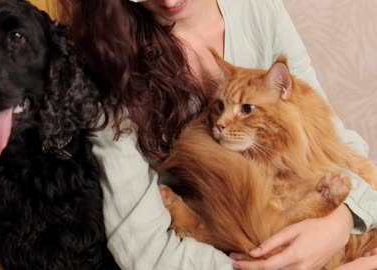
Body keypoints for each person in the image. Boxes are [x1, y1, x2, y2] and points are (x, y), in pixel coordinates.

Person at [57, 0, 377, 269]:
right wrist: (270, 264)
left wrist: (344, 220)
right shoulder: (108, 65)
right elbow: (144, 251)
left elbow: (337, 144)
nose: (169, 2)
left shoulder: (256, 8)